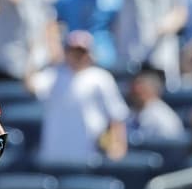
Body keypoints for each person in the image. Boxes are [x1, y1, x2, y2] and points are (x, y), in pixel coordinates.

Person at [31, 30, 129, 164]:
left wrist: (119, 145)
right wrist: (36, 52)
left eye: (82, 52)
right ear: (66, 52)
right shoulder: (52, 75)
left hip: (90, 155)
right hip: (54, 155)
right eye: (73, 51)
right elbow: (30, 85)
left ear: (90, 53)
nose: (77, 56)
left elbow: (117, 115)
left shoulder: (101, 78)